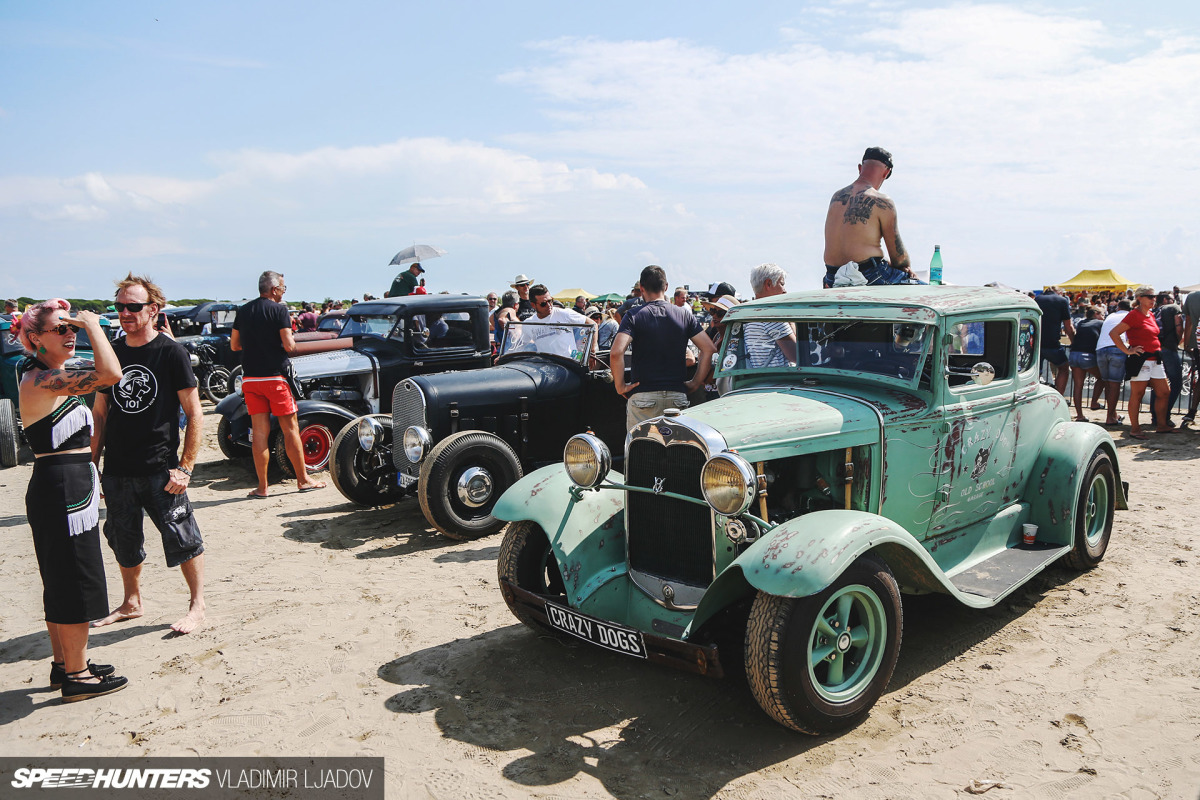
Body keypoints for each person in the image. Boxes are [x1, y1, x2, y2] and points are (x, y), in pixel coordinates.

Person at [14, 300, 129, 701]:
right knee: (76, 580)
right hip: (61, 485)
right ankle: (77, 676)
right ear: (34, 338)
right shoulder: (43, 377)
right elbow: (112, 373)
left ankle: (66, 663)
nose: (70, 334)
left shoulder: (47, 373)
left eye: (73, 328)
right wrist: (94, 324)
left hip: (64, 482)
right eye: (60, 329)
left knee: (62, 578)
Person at [90, 274, 207, 636]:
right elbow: (100, 413)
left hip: (161, 467)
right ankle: (132, 602)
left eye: (133, 306)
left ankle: (197, 605)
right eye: (120, 306)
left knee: (182, 536)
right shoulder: (112, 352)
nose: (125, 313)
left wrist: (185, 468)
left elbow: (195, 412)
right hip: (119, 468)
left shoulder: (170, 352)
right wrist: (93, 467)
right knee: (122, 537)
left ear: (153, 310)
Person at [231, 271, 327, 497]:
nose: (284, 292)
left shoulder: (243, 311)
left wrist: (255, 347)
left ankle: (262, 487)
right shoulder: (280, 310)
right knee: (290, 429)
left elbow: (235, 346)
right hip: (275, 378)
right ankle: (303, 480)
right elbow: (289, 345)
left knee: (260, 433)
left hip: (251, 379)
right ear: (274, 290)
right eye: (283, 288)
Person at [610, 265, 716, 429]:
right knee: (677, 452)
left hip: (643, 396)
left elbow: (616, 352)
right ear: (666, 287)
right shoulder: (684, 314)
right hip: (676, 395)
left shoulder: (633, 316)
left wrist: (620, 386)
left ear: (642, 288)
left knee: (641, 452)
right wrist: (695, 382)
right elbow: (709, 349)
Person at [822, 147, 917, 288]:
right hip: (869, 276)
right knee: (929, 291)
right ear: (886, 173)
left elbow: (852, 249)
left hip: (832, 277)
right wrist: (905, 268)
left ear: (860, 168)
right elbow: (900, 260)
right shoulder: (883, 201)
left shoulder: (836, 197)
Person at [1109, 286, 1173, 439]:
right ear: (1139, 298)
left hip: (1154, 359)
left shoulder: (1150, 315)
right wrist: (1127, 350)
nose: (1153, 299)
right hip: (1141, 360)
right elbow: (1114, 333)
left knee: (1164, 392)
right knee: (1138, 394)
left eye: (1154, 296)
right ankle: (1135, 429)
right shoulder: (1134, 315)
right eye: (1150, 296)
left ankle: (1162, 425)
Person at [745, 263, 798, 368]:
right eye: (781, 284)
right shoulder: (771, 316)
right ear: (768, 284)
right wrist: (789, 320)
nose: (784, 290)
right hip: (778, 381)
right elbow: (796, 355)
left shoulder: (747, 314)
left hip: (758, 379)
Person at [522, 284, 594, 358]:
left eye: (550, 301)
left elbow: (592, 324)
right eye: (543, 304)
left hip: (570, 364)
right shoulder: (528, 324)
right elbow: (522, 345)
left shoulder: (564, 314)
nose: (549, 305)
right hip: (546, 366)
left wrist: (592, 351)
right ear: (533, 305)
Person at [1096, 299, 1131, 427]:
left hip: (1100, 348)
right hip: (1117, 348)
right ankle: (1110, 417)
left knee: (1108, 384)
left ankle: (1112, 414)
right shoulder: (1129, 316)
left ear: (1118, 308)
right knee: (1115, 385)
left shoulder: (1111, 316)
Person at [1036, 286, 1076, 394]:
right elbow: (1068, 326)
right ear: (1059, 292)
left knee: (1035, 373)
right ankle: (1059, 396)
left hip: (1036, 343)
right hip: (1052, 342)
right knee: (1063, 368)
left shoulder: (1036, 299)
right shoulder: (1061, 301)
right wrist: (1073, 342)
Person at [1068, 306, 1106, 422]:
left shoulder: (1081, 323)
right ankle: (1094, 402)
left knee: (1078, 386)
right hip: (1088, 355)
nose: (1103, 317)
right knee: (1102, 378)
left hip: (1074, 354)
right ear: (1096, 314)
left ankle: (1080, 415)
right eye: (1102, 314)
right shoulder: (1101, 324)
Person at [1152, 291, 1183, 428]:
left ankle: (1155, 416)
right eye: (1171, 298)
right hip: (1169, 348)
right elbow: (1179, 325)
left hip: (1155, 349)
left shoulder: (1153, 310)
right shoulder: (1173, 308)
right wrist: (1180, 342)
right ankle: (1164, 415)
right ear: (1165, 299)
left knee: (1157, 384)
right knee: (1176, 383)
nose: (1174, 300)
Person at [700, 294, 740, 400]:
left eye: (721, 313)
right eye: (713, 311)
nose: (715, 316)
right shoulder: (717, 336)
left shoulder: (735, 339)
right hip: (709, 392)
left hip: (724, 393)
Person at [1181, 289, 1200, 428]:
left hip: (1196, 344)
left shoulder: (1192, 297)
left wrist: (1187, 343)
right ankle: (1191, 412)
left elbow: (1188, 322)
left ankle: (1192, 412)